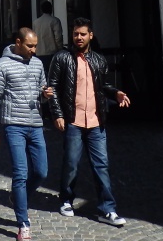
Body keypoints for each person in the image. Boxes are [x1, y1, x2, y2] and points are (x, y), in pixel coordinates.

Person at [48, 17, 131, 228]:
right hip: (73, 120)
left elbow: (104, 85)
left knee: (101, 166)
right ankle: (66, 199)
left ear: (90, 36)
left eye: (83, 34)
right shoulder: (62, 58)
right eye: (76, 34)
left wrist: (116, 93)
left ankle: (107, 209)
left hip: (96, 122)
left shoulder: (98, 60)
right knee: (71, 164)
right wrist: (57, 114)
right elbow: (53, 87)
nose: (79, 37)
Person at [0, 29, 53, 241]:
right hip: (13, 125)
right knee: (20, 173)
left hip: (36, 124)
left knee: (41, 171)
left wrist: (45, 95)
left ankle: (16, 197)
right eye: (30, 46)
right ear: (18, 42)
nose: (34, 50)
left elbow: (42, 92)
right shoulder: (1, 65)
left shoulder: (37, 64)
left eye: (35, 46)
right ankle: (23, 223)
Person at [32, 1, 64, 73]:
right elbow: (58, 37)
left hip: (39, 52)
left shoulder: (35, 22)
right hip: (52, 52)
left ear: (41, 10)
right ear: (51, 9)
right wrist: (60, 50)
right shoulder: (55, 21)